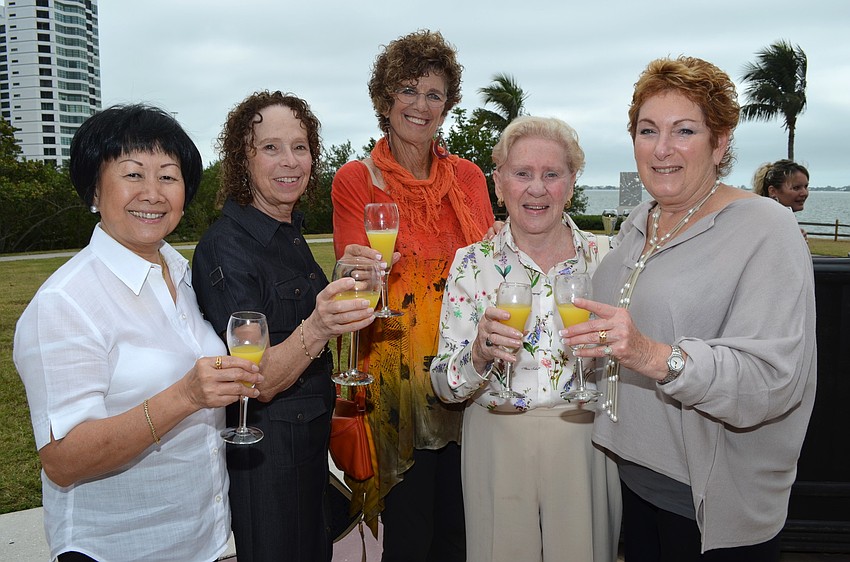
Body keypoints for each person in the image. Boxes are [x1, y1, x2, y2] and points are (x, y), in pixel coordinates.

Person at [564, 56, 817, 560]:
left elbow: (772, 381)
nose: (661, 149)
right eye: (647, 130)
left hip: (707, 505)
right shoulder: (638, 225)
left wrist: (652, 355)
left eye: (684, 131)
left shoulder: (766, 229)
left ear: (720, 142)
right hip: (631, 481)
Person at [13, 104, 261, 562]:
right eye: (132, 174)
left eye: (168, 176)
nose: (153, 193)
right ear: (94, 189)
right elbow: (64, 460)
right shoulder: (65, 304)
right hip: (116, 548)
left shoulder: (181, 274)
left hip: (200, 540)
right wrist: (184, 397)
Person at [192, 91, 377, 562]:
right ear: (242, 159)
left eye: (300, 146)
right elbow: (258, 380)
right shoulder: (227, 248)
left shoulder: (286, 229)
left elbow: (290, 310)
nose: (290, 161)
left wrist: (343, 280)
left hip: (308, 454)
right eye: (270, 147)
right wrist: (320, 324)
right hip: (268, 462)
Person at [331, 29, 495, 561]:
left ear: (447, 105)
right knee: (410, 533)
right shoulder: (358, 179)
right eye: (408, 89)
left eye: (434, 94)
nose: (420, 105)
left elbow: (491, 264)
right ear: (385, 98)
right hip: (397, 378)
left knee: (462, 527)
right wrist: (359, 270)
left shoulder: (469, 178)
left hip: (466, 370)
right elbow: (357, 273)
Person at [430, 116, 621, 562]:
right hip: (495, 441)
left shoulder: (606, 258)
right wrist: (477, 355)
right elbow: (442, 384)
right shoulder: (472, 263)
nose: (537, 189)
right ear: (499, 184)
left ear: (572, 183)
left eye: (552, 174)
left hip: (585, 440)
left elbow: (630, 361)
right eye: (522, 174)